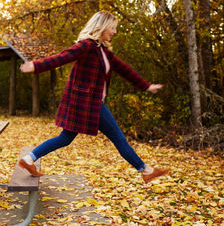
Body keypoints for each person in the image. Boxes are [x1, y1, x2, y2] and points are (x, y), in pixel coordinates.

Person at [18, 11, 170, 184]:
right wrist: (36, 66)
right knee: (118, 138)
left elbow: (124, 69)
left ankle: (29, 159)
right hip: (89, 104)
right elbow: (62, 57)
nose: (114, 32)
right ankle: (145, 170)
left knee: (65, 138)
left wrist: (146, 86)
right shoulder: (87, 46)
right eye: (112, 28)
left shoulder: (103, 51)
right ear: (102, 26)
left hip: (87, 104)